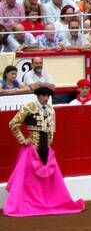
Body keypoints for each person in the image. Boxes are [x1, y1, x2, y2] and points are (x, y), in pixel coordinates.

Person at [5, 85, 85, 216]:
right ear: (39, 96)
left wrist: (49, 142)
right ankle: (27, 203)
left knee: (48, 179)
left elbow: (52, 128)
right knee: (29, 180)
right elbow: (13, 123)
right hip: (32, 148)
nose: (46, 98)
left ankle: (47, 201)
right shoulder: (29, 107)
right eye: (44, 96)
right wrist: (22, 140)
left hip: (46, 149)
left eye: (48, 96)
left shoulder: (50, 109)